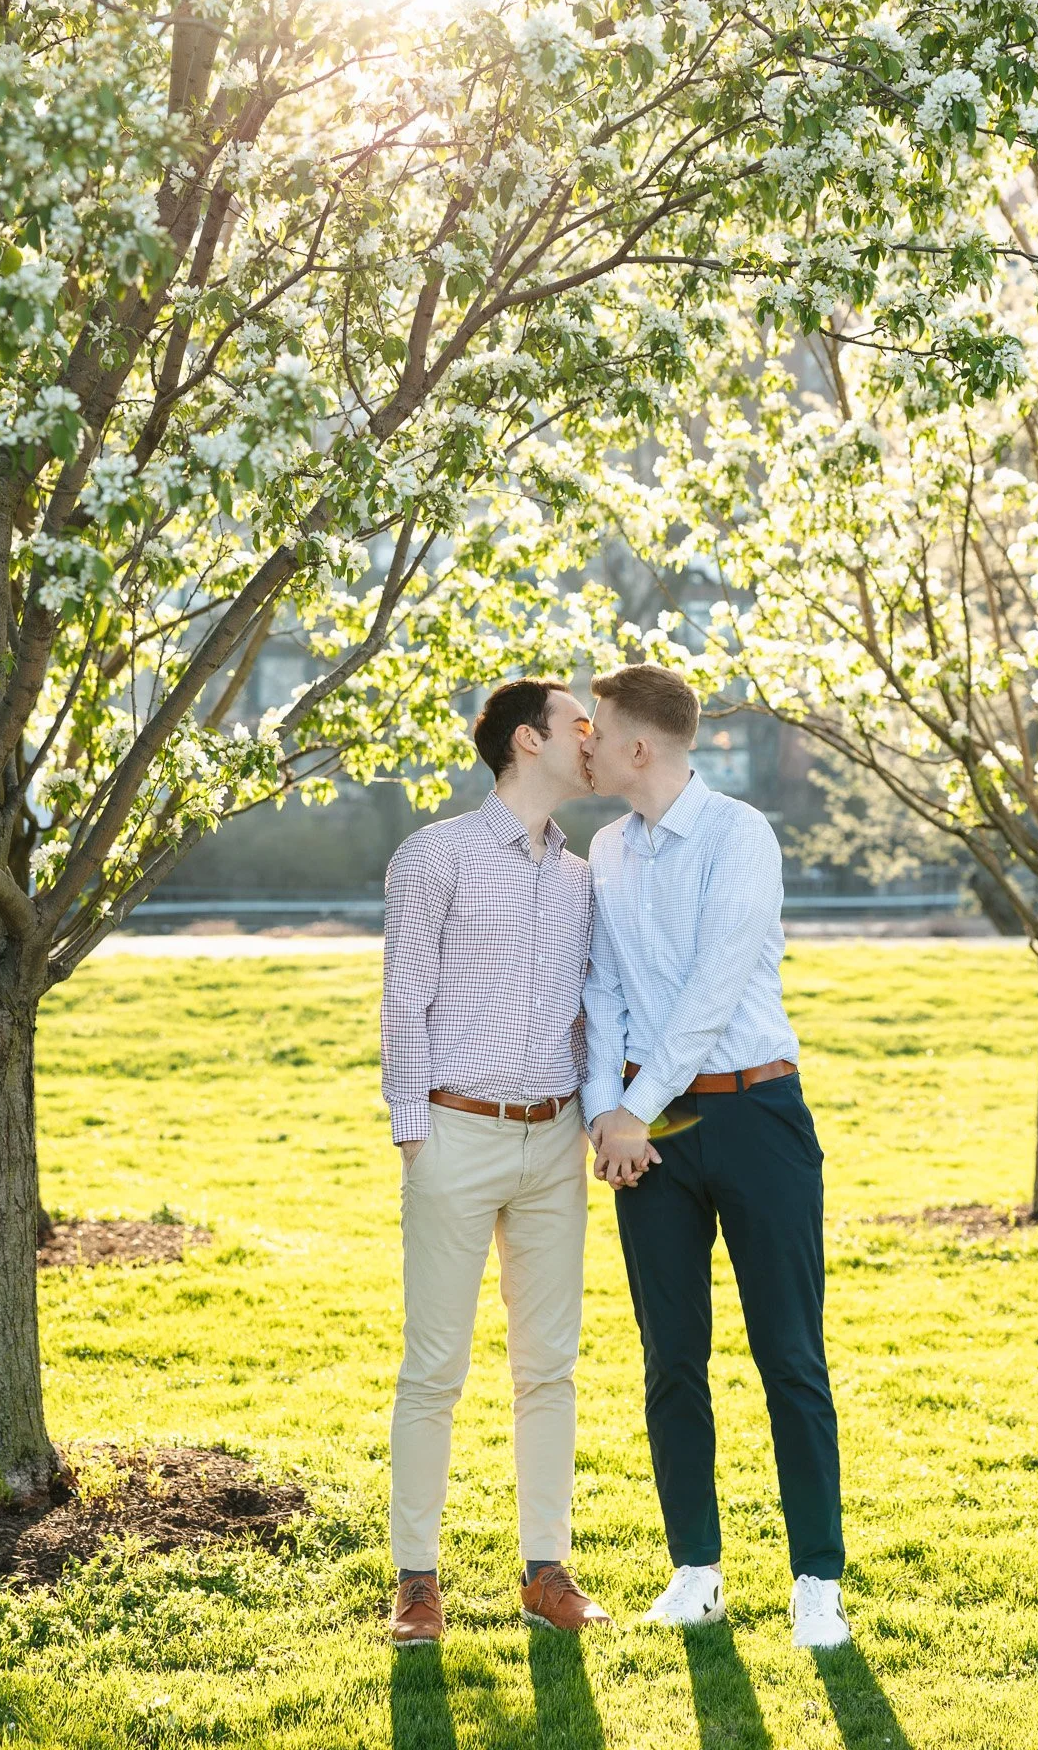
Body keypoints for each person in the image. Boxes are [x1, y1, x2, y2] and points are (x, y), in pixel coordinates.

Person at [581, 663, 849, 1648]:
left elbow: (711, 987)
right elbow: (601, 990)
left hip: (756, 1114)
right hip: (650, 1136)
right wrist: (609, 1112)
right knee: (671, 1360)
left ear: (640, 746)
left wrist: (634, 1109)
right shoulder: (606, 847)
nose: (588, 744)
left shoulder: (741, 835)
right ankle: (695, 1569)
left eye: (599, 729)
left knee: (790, 1355)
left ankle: (817, 1578)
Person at [381, 677, 612, 1644]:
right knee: (434, 1369)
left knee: (547, 1369)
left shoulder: (582, 875)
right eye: (580, 727)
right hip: (456, 1134)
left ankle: (544, 1573)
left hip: (554, 1142)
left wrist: (593, 1121)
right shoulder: (434, 855)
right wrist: (415, 1132)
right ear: (530, 741)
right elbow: (404, 1000)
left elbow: (588, 1010)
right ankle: (417, 1585)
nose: (594, 742)